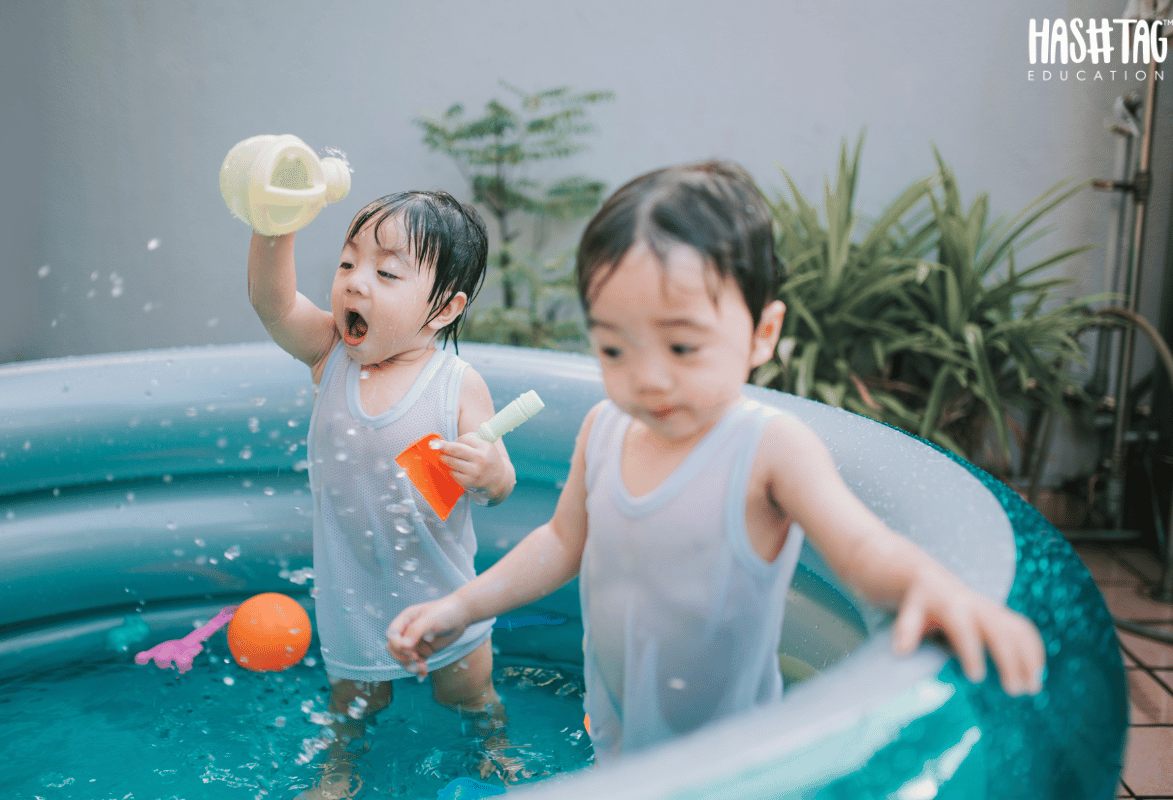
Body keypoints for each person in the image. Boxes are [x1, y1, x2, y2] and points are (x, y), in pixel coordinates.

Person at [385, 162, 1046, 763]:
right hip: (617, 747)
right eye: (616, 350)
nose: (649, 379)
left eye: (682, 347)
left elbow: (861, 547)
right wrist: (461, 606)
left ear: (762, 333)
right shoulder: (605, 428)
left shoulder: (766, 449)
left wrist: (927, 584)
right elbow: (560, 543)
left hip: (726, 765)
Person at [247, 190, 519, 795]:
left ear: (444, 310)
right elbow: (273, 303)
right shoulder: (330, 356)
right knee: (354, 703)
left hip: (441, 588)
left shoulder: (455, 385)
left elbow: (499, 486)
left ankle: (494, 750)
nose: (355, 284)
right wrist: (276, 226)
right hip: (353, 590)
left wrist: (489, 472)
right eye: (347, 264)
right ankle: (342, 763)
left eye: (387, 272)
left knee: (467, 692)